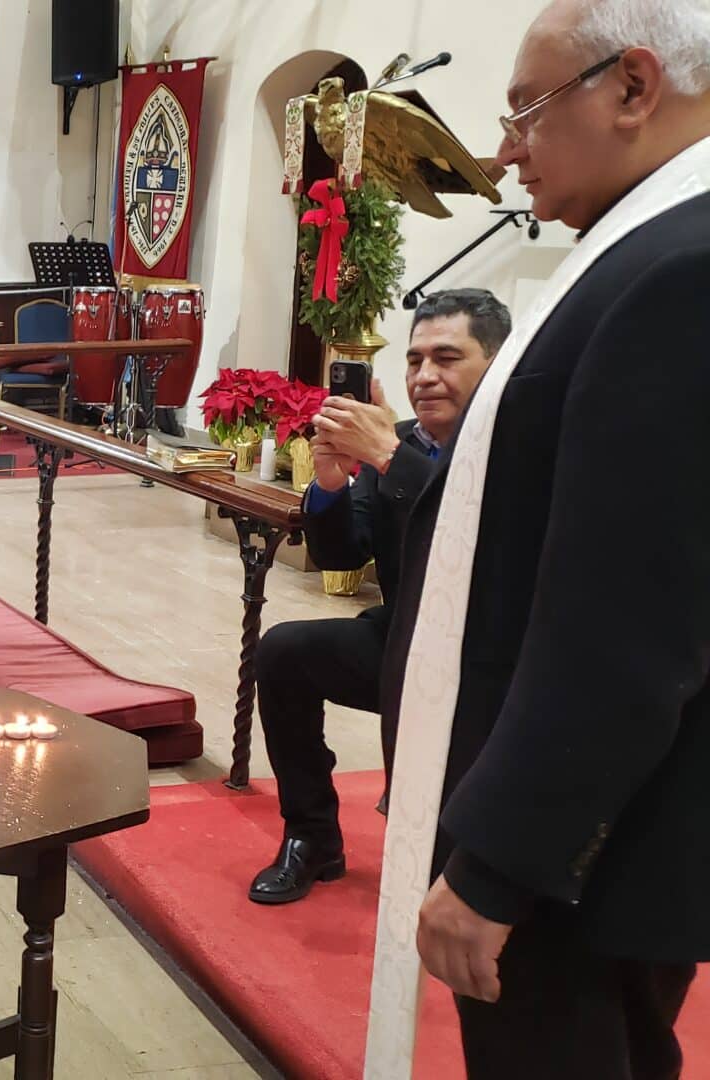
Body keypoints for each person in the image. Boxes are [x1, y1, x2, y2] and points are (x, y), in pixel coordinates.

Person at [366, 2, 710, 1075]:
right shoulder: (647, 249)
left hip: (584, 859)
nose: (506, 150)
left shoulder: (675, 273)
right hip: (596, 834)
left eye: (528, 112)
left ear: (634, 87)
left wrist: (499, 865)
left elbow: (628, 628)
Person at [247, 290, 508, 905]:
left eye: (447, 357)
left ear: (496, 365)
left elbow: (485, 536)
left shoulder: (518, 444)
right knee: (286, 653)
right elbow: (341, 555)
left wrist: (389, 456)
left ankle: (469, 865)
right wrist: (333, 483)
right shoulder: (405, 441)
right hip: (407, 639)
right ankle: (313, 836)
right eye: (414, 360)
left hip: (493, 659)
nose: (424, 376)